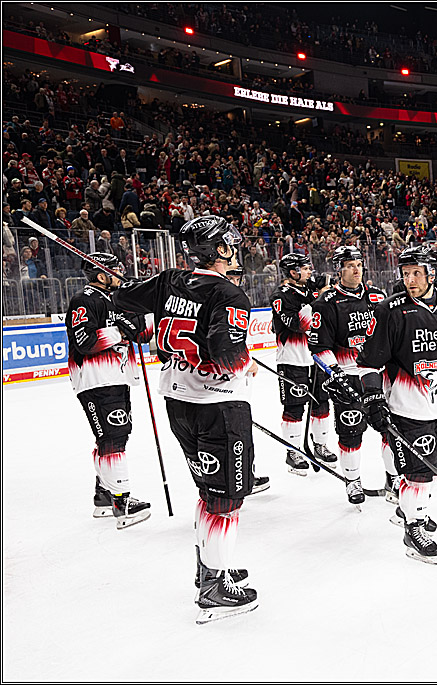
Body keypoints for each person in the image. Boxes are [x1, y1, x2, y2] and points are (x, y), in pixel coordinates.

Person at [115, 215, 262, 623]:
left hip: (177, 401)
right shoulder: (230, 293)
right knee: (226, 499)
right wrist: (244, 362)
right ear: (221, 250)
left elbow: (124, 300)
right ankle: (214, 587)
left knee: (208, 490)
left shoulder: (168, 280)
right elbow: (224, 352)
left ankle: (211, 566)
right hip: (218, 405)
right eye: (231, 243)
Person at [355, 245, 437, 564]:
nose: (409, 279)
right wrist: (373, 398)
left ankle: (410, 507)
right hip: (406, 408)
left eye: (416, 273)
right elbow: (369, 362)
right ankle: (414, 528)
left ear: (431, 273)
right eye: (405, 273)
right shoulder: (389, 311)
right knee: (418, 472)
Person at [66, 252, 153, 529]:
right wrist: (120, 331)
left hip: (117, 377)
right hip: (96, 379)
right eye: (114, 270)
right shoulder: (84, 301)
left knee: (114, 437)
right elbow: (84, 341)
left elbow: (143, 334)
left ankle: (104, 495)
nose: (120, 274)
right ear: (100, 275)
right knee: (113, 436)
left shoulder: (117, 299)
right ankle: (122, 500)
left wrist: (144, 310)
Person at [308, 245, 387, 505]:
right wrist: (337, 375)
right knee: (351, 433)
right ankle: (352, 480)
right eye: (350, 265)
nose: (356, 269)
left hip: (377, 375)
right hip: (348, 376)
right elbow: (319, 347)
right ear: (338, 269)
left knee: (389, 428)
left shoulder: (377, 297)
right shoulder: (326, 303)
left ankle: (394, 478)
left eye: (359, 264)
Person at [270, 252, 331, 476]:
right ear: (293, 272)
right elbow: (299, 324)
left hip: (317, 357)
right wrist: (319, 300)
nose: (309, 272)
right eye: (304, 269)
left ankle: (321, 444)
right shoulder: (281, 295)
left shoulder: (309, 288)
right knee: (295, 406)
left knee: (322, 402)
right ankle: (292, 451)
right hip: (292, 360)